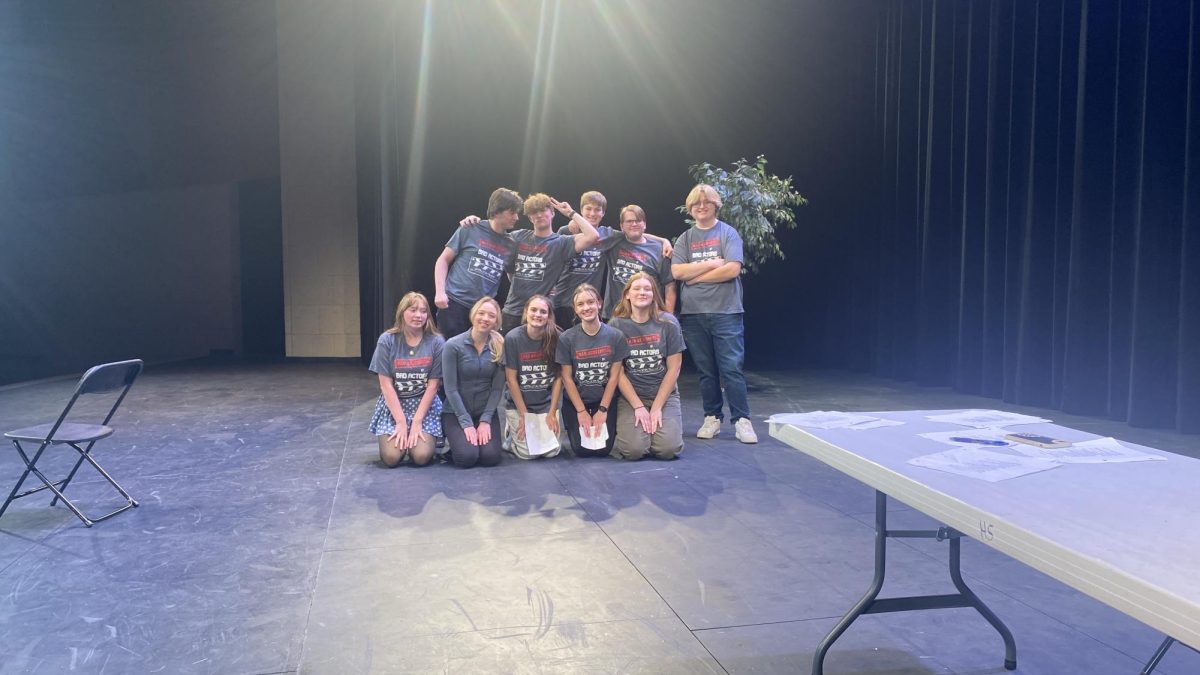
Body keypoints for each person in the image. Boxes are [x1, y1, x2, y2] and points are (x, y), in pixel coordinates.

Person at [670, 184, 757, 444]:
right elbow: (677, 273)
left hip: (726, 312)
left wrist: (696, 276)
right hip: (694, 314)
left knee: (731, 369)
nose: (701, 206)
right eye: (696, 203)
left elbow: (732, 270)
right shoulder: (685, 238)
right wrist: (711, 264)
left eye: (706, 202)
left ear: (715, 205)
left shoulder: (728, 233)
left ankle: (742, 420)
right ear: (691, 209)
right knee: (706, 371)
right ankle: (712, 417)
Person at [555, 192, 674, 328]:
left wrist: (664, 240)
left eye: (597, 210)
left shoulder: (608, 236)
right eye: (588, 209)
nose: (592, 213)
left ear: (603, 213)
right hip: (562, 301)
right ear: (581, 210)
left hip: (590, 304)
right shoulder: (566, 231)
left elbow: (633, 231)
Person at [609, 273, 685, 461]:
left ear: (653, 294)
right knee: (634, 451)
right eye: (636, 288)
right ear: (627, 294)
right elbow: (618, 372)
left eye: (647, 289)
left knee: (668, 450)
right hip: (632, 396)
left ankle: (658, 432)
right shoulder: (616, 325)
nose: (642, 292)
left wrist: (657, 407)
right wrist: (639, 406)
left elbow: (674, 368)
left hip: (663, 394)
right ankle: (641, 434)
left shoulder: (668, 323)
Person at [367, 292, 444, 467]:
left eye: (424, 311)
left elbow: (433, 386)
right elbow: (385, 385)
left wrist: (417, 422)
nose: (419, 315)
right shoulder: (387, 340)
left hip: (424, 407)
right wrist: (401, 422)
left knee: (421, 456)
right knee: (391, 458)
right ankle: (401, 440)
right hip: (395, 407)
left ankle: (420, 441)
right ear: (402, 312)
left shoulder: (437, 342)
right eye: (413, 310)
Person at [433, 188, 521, 339]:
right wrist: (440, 292)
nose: (517, 217)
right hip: (454, 303)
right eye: (512, 212)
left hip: (483, 310)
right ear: (497, 211)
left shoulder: (511, 244)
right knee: (451, 352)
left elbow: (512, 275)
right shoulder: (471, 228)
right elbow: (443, 259)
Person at [555, 284, 628, 457]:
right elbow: (567, 378)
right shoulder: (567, 338)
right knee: (582, 450)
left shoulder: (615, 336)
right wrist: (581, 412)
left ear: (599, 303)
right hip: (576, 401)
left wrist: (602, 411)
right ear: (575, 309)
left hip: (603, 400)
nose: (586, 307)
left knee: (603, 450)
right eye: (581, 304)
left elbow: (614, 377)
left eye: (590, 302)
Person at [441, 296, 506, 468]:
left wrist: (485, 420)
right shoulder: (453, 345)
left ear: (496, 320)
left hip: (485, 412)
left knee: (491, 458)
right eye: (481, 313)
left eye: (491, 316)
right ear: (473, 314)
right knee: (467, 457)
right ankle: (456, 447)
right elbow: (450, 389)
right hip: (456, 412)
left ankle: (475, 440)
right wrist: (466, 423)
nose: (485, 319)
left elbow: (497, 389)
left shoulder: (499, 345)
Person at [503, 295, 564, 459]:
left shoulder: (557, 337)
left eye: (543, 312)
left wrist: (552, 411)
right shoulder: (513, 338)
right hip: (520, 405)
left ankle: (538, 425)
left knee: (552, 452)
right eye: (534, 310)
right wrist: (524, 415)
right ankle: (511, 437)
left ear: (549, 316)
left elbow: (559, 378)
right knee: (527, 454)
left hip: (544, 404)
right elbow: (511, 379)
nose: (538, 315)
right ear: (526, 312)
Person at [602, 204, 676, 318]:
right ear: (621, 226)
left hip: (648, 316)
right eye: (629, 221)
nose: (634, 224)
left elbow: (669, 285)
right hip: (615, 315)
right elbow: (591, 234)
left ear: (644, 224)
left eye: (638, 221)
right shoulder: (614, 242)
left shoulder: (658, 249)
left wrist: (669, 317)